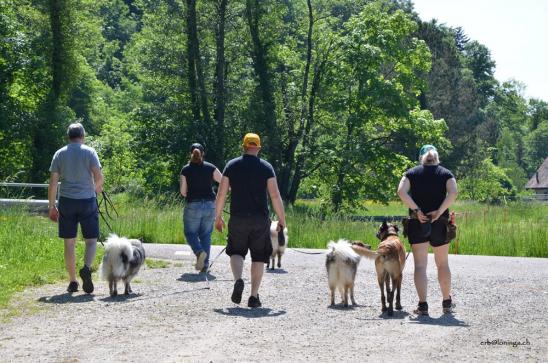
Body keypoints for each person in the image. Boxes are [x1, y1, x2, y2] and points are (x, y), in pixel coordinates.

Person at [215, 133, 286, 308]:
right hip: (260, 220)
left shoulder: (231, 166)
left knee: (237, 252)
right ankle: (253, 297)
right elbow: (275, 195)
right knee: (258, 257)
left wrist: (217, 217)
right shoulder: (266, 167)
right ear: (258, 148)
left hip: (238, 218)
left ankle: (239, 280)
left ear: (244, 147)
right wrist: (282, 220)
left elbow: (222, 193)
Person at [397, 144, 458, 315]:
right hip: (440, 223)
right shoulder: (446, 173)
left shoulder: (411, 173)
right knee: (442, 264)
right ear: (437, 158)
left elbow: (401, 192)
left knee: (420, 266)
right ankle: (446, 302)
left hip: (418, 223)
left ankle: (423, 306)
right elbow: (453, 193)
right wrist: (439, 211)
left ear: (421, 158)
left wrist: (416, 210)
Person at [48, 122, 104, 294]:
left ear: (68, 136)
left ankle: (73, 281)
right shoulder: (90, 152)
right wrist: (93, 191)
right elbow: (99, 178)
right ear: (83, 136)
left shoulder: (60, 154)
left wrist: (52, 206)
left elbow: (53, 183)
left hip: (67, 201)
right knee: (91, 240)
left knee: (69, 243)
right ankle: (86, 268)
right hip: (87, 201)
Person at [180, 143, 222, 273]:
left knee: (190, 233)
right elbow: (225, 182)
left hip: (193, 204)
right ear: (203, 153)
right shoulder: (211, 168)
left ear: (190, 153)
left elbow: (183, 192)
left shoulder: (185, 170)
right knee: (205, 235)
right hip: (210, 205)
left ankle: (199, 253)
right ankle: (204, 265)